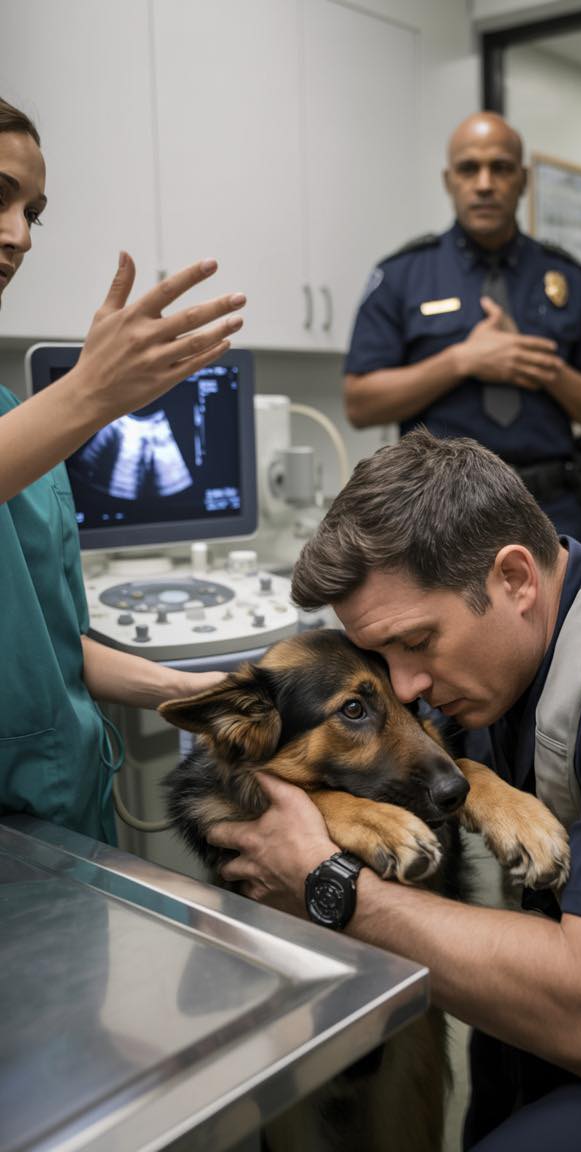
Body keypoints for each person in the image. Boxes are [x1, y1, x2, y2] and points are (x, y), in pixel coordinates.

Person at [206, 429, 581, 1152]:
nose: (405, 690)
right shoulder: (512, 664)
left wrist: (330, 886)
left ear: (515, 579)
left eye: (416, 643)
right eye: (382, 657)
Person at [0, 96, 245, 842]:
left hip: (63, 803)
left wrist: (184, 690)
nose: (21, 237)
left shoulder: (12, 411)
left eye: (33, 213)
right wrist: (91, 394)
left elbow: (41, 635)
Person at [342, 111, 581, 542]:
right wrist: (461, 360)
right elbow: (360, 403)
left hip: (549, 507)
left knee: (560, 613)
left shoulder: (568, 277)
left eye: (502, 168)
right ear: (448, 179)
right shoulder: (403, 275)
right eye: (469, 168)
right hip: (436, 509)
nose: (485, 183)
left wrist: (539, 365)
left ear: (523, 180)